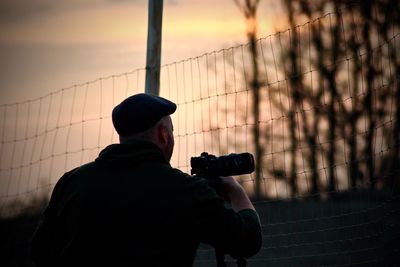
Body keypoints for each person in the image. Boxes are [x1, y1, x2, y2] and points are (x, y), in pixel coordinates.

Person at [31, 93, 262, 267]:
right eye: (172, 131)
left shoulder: (71, 182)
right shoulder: (184, 191)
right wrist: (234, 191)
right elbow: (248, 239)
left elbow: (39, 252)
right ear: (163, 134)